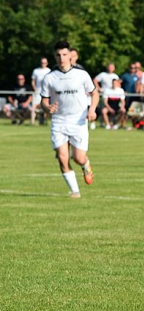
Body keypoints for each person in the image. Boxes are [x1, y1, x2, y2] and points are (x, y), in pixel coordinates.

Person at [40, 41, 98, 198]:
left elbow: (94, 93)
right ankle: (75, 191)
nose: (61, 58)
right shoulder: (49, 78)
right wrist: (47, 108)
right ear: (54, 56)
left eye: (64, 54)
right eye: (58, 55)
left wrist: (92, 109)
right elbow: (43, 101)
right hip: (59, 121)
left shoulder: (81, 75)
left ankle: (86, 165)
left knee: (78, 158)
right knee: (62, 157)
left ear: (70, 55)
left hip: (78, 121)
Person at [31, 57, 51, 125]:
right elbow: (33, 81)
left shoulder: (49, 70)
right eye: (42, 62)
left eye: (45, 63)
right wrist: (35, 89)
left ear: (47, 63)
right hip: (38, 92)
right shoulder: (36, 71)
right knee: (34, 106)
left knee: (45, 106)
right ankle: (32, 121)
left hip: (46, 92)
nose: (43, 64)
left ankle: (44, 121)